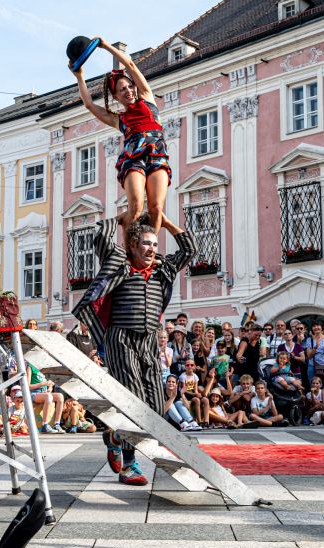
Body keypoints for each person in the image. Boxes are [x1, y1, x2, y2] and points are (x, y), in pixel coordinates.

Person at [72, 211, 195, 485]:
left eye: (155, 244)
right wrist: (122, 217)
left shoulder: (163, 268)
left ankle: (115, 436)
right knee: (134, 404)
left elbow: (189, 249)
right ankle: (130, 465)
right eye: (146, 244)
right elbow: (100, 238)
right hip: (121, 339)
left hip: (149, 340)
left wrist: (164, 219)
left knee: (154, 409)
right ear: (133, 246)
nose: (151, 249)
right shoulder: (120, 264)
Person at [72, 41, 171, 232]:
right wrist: (80, 76)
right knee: (135, 207)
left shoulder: (147, 97)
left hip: (157, 155)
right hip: (133, 158)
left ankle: (149, 252)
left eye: (129, 86)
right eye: (122, 89)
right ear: (116, 97)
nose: (129, 91)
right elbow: (89, 105)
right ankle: (130, 254)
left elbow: (131, 65)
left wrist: (106, 46)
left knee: (156, 208)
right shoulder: (119, 119)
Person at [27, 361, 65, 434]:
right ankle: (45, 425)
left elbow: (50, 382)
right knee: (48, 397)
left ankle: (57, 424)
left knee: (60, 396)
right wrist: (42, 384)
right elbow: (27, 386)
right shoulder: (30, 367)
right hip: (34, 393)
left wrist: (50, 387)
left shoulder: (45, 366)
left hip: (45, 392)